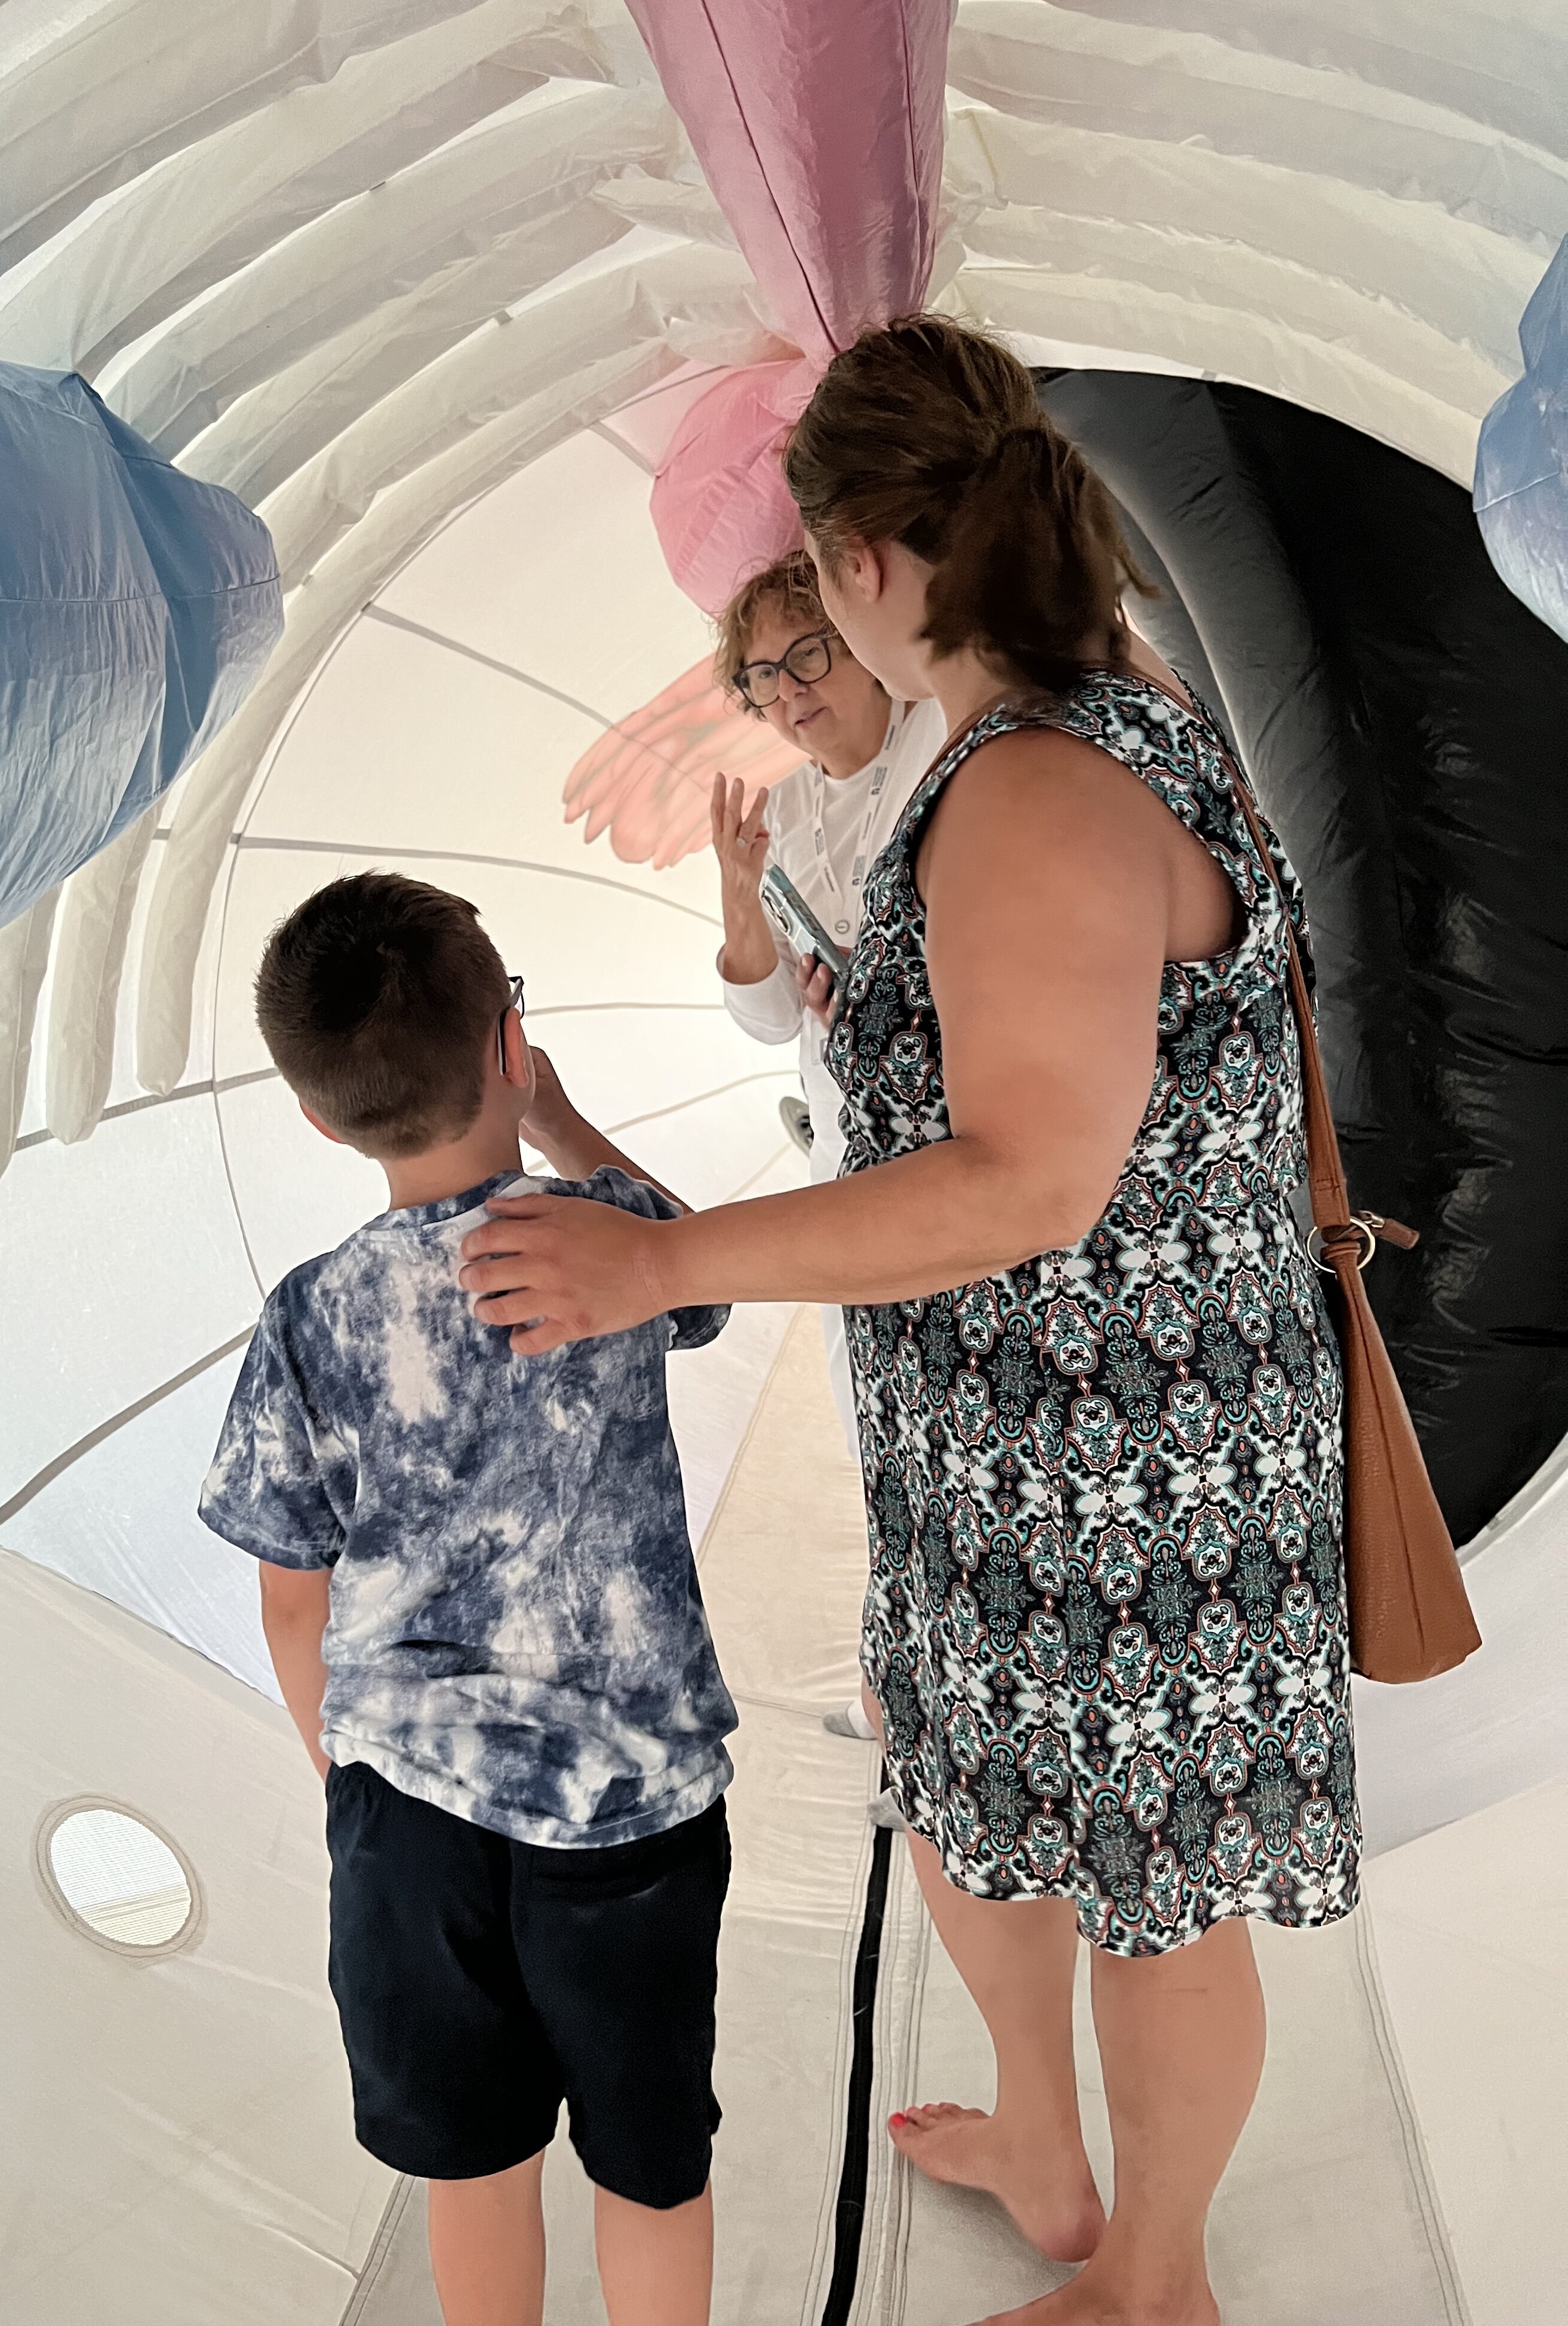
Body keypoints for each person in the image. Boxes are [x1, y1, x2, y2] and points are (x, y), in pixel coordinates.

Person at [456, 317, 1358, 2326]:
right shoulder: (1076, 726)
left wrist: (659, 1261)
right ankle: (1045, 2145)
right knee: (972, 1804)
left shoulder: (1039, 786)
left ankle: (1158, 2285)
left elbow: (1030, 1179)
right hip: (1006, 1452)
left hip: (1136, 1472)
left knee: (1155, 1898)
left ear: (860, 566)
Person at [199, 871, 736, 2326]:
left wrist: (347, 1768)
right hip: (629, 1813)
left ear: (317, 1118)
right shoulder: (615, 1234)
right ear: (512, 1039)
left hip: (408, 1827)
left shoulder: (308, 1314)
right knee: (648, 2171)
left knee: (472, 2167)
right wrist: (558, 1121)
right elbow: (709, 1283)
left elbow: (289, 1599)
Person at [708, 552, 945, 1452]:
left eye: (809, 654)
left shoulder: (938, 734)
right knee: (874, 1407)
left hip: (958, 1128)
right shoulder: (777, 815)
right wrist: (741, 894)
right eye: (762, 676)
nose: (789, 691)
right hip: (851, 1144)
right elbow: (771, 1020)